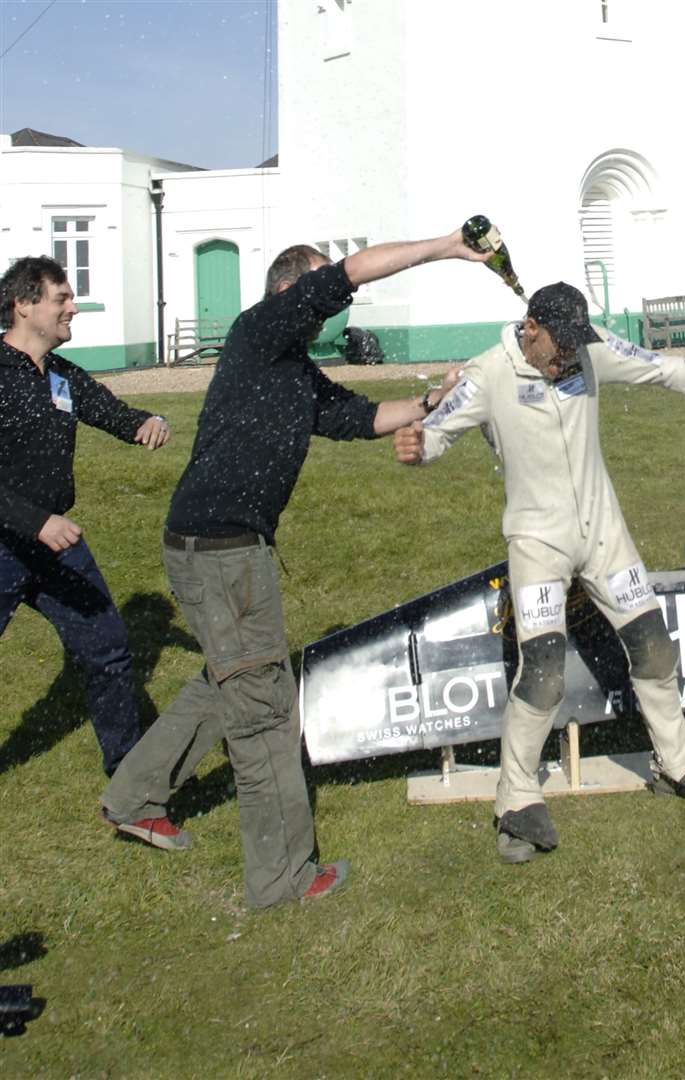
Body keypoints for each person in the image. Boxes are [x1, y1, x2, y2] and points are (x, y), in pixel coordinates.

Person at [100, 229, 489, 906]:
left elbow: (362, 417)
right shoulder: (261, 329)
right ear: (291, 291)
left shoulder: (292, 370)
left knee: (229, 678)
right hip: (223, 550)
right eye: (320, 294)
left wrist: (433, 400)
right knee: (264, 707)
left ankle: (134, 797)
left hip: (209, 543)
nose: (333, 310)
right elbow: (354, 271)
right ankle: (281, 877)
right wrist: (450, 246)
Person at [393, 282, 685, 863]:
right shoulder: (489, 372)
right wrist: (418, 448)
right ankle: (516, 800)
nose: (570, 356)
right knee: (543, 670)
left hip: (604, 534)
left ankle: (675, 762)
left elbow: (664, 369)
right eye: (560, 346)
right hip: (537, 543)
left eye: (578, 344)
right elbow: (439, 430)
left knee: (653, 646)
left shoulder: (589, 349)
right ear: (531, 328)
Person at [0, 256, 171, 778]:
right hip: (8, 540)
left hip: (55, 542)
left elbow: (109, 411)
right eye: (62, 299)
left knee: (109, 648)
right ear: (24, 305)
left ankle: (129, 778)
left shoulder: (61, 376)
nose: (73, 308)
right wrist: (35, 521)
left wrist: (146, 420)